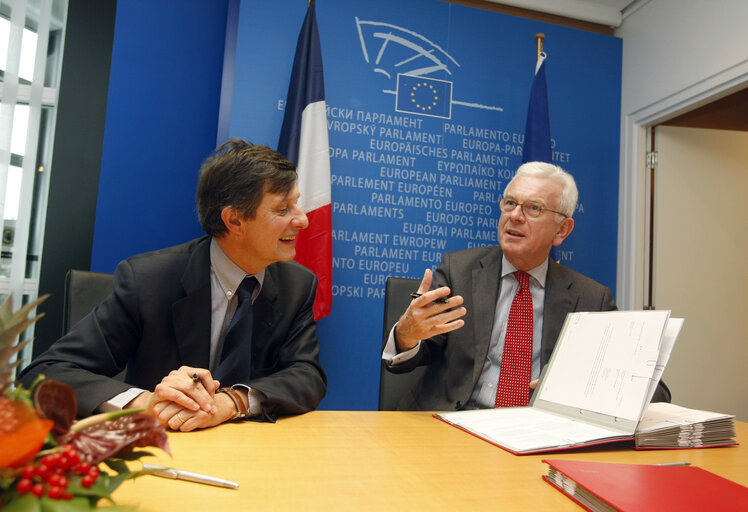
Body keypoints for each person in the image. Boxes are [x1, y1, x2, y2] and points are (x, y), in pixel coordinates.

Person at [20, 139, 327, 430]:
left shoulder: (297, 285)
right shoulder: (148, 280)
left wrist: (232, 401)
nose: (303, 220)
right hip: (164, 447)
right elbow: (47, 372)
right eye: (283, 209)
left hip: (254, 452)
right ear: (234, 221)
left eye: (297, 204)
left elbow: (307, 374)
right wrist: (145, 402)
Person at [382, 161, 670, 411]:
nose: (515, 216)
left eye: (533, 208)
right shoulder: (459, 271)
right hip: (453, 424)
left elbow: (650, 390)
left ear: (562, 230)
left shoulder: (590, 299)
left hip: (537, 433)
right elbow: (413, 354)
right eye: (510, 203)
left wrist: (584, 384)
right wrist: (407, 335)